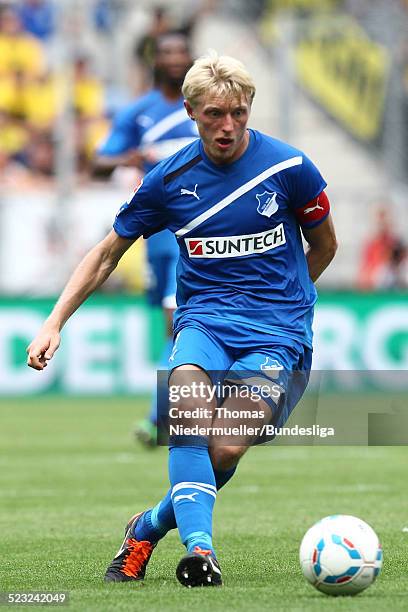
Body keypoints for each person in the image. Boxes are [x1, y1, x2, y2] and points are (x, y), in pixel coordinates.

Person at [27, 51, 337, 587]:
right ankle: (201, 551)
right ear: (191, 111)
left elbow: (326, 245)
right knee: (188, 411)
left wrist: (287, 303)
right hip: (204, 324)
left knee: (224, 447)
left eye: (239, 112)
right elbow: (106, 253)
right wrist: (54, 321)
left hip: (279, 335)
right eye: (215, 113)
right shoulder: (168, 180)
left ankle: (146, 527)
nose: (228, 126)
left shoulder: (291, 168)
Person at [95, 32, 198, 446]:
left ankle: (159, 418)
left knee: (180, 327)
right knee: (173, 329)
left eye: (181, 51)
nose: (175, 58)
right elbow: (99, 163)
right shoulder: (139, 113)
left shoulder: (206, 108)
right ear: (155, 59)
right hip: (158, 237)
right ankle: (170, 415)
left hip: (199, 235)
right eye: (167, 52)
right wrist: (131, 158)